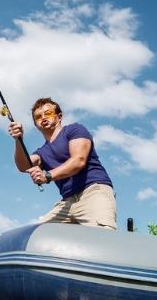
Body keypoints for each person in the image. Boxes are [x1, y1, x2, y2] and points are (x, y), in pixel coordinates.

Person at [8, 97, 116, 229]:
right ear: (36, 125)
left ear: (59, 117)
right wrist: (18, 140)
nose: (43, 118)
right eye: (38, 117)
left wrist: (47, 175)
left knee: (103, 237)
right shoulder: (42, 152)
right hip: (67, 202)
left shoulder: (74, 130)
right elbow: (23, 166)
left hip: (92, 192)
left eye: (48, 113)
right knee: (37, 234)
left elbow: (78, 161)